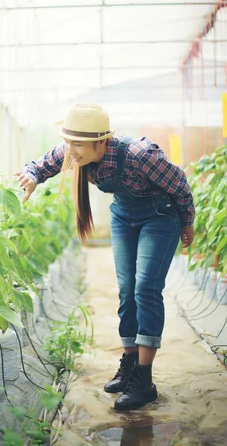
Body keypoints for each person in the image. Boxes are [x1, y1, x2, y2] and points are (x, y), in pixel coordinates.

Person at [15, 103, 195, 411]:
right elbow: (42, 165)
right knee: (126, 291)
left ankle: (144, 379)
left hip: (160, 215)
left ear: (102, 142)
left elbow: (178, 183)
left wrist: (187, 222)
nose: (70, 151)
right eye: (68, 142)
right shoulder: (73, 148)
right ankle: (129, 365)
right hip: (123, 215)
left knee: (146, 289)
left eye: (78, 145)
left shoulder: (139, 154)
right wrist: (31, 176)